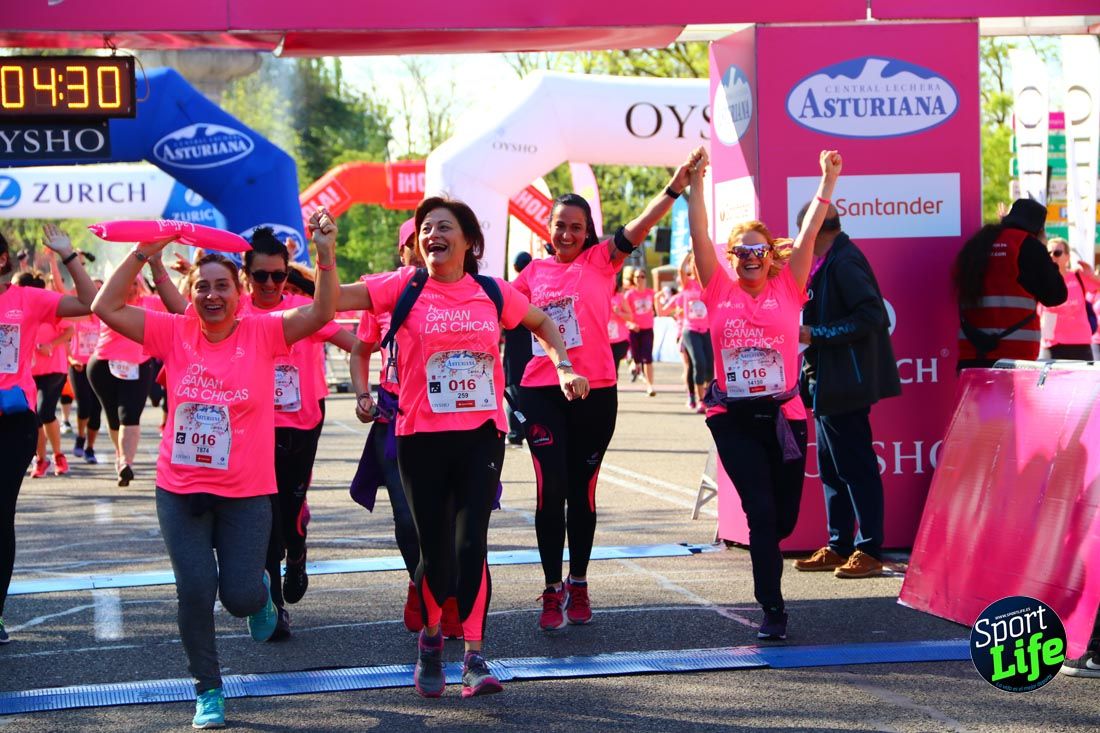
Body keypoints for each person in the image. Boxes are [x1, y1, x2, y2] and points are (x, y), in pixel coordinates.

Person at [90, 208, 338, 729]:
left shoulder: (264, 332)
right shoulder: (173, 331)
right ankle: (208, 690)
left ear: (239, 291)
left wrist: (325, 255)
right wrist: (143, 251)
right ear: (192, 291)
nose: (211, 295)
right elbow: (103, 306)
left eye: (222, 285)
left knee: (240, 597)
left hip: (246, 492)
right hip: (180, 488)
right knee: (196, 589)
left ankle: (260, 596)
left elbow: (320, 313)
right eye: (202, 286)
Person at [338, 196, 587, 698]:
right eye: (426, 227)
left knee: (472, 541)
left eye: (444, 226)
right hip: (419, 438)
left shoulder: (491, 291)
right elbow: (332, 303)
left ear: (469, 241)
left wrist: (563, 365)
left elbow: (543, 322)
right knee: (436, 551)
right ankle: (432, 640)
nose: (432, 234)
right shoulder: (403, 287)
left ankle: (474, 657)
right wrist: (325, 257)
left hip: (480, 436)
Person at [513, 157, 696, 632]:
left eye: (576, 227)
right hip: (541, 390)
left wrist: (673, 189)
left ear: (588, 231)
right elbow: (493, 312)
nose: (567, 234)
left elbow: (639, 225)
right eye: (560, 225)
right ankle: (551, 588)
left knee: (582, 491)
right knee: (550, 489)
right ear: (548, 228)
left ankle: (578, 582)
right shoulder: (531, 275)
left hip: (596, 392)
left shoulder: (601, 261)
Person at [688, 147, 839, 640]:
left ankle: (768, 556)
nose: (751, 259)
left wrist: (827, 180)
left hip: (784, 416)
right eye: (742, 253)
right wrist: (694, 185)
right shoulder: (718, 289)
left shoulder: (789, 287)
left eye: (759, 252)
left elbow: (811, 232)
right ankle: (772, 608)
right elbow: (700, 235)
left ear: (771, 256)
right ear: (732, 259)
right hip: (732, 417)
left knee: (783, 520)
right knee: (760, 510)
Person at [791, 179, 902, 581]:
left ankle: (868, 548)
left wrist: (816, 334)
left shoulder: (845, 261)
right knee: (832, 468)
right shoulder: (828, 260)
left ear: (815, 230)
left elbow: (873, 316)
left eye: (804, 233)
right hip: (826, 381)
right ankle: (839, 545)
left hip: (845, 383)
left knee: (855, 467)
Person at [0, 224, 96, 644]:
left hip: (12, 421)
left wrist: (68, 256)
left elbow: (89, 303)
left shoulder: (26, 299)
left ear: (2, 260)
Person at [952, 198, 1067, 370]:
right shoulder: (1028, 245)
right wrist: (1044, 250)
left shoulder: (978, 242)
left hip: (972, 351)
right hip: (1014, 356)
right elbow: (1056, 295)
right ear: (1038, 228)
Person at [87, 275, 158, 486]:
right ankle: (120, 455)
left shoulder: (150, 303)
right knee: (113, 417)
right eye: (128, 282)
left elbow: (181, 302)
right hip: (103, 365)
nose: (132, 288)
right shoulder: (108, 301)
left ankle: (126, 463)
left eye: (136, 283)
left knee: (129, 415)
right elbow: (77, 299)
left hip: (139, 366)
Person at [18, 272, 75, 478]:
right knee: (34, 417)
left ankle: (59, 456)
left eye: (15, 286)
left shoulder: (46, 307)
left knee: (44, 411)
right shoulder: (16, 310)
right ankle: (41, 459)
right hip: (28, 372)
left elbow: (70, 330)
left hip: (54, 369)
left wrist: (50, 345)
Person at [1037, 237, 1100, 361]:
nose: (1052, 256)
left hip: (1079, 343)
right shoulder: (1041, 280)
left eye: (1057, 253)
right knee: (1047, 374)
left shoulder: (1078, 276)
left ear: (1067, 257)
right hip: (1051, 344)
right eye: (1049, 253)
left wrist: (1092, 275)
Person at [668, 253, 712, 413]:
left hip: (707, 329)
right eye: (695, 263)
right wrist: (690, 253)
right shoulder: (688, 283)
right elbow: (681, 269)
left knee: (709, 367)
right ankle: (700, 400)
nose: (697, 265)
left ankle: (707, 395)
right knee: (698, 363)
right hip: (690, 330)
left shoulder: (708, 283)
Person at [503, 251, 534, 445]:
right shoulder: (537, 288)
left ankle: (515, 433)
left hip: (515, 350)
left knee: (514, 393)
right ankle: (531, 430)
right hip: (535, 349)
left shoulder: (510, 289)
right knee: (531, 392)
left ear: (515, 267)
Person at [67, 299, 104, 464]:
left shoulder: (105, 317)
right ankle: (81, 436)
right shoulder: (76, 315)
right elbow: (65, 339)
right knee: (84, 405)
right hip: (78, 367)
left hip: (98, 368)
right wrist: (71, 360)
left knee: (96, 410)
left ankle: (90, 448)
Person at [622, 268, 658, 396]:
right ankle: (634, 366)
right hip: (634, 331)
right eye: (637, 277)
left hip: (647, 330)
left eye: (642, 276)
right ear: (633, 279)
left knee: (647, 358)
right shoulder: (629, 295)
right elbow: (624, 315)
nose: (640, 279)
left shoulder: (651, 293)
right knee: (637, 358)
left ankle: (650, 386)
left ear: (646, 279)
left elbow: (659, 307)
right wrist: (630, 324)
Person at [608, 278, 630, 376]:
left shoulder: (620, 298)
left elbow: (630, 317)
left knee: (613, 369)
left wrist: (619, 312)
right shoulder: (599, 296)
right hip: (604, 340)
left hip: (619, 341)